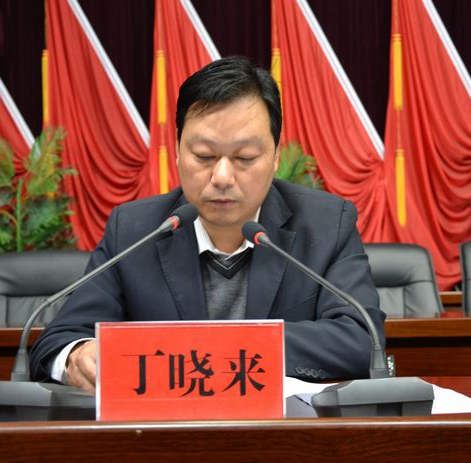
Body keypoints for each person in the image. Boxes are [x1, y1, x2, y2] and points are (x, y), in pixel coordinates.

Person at [29, 56, 385, 393]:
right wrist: (77, 355)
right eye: (204, 156)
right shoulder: (135, 229)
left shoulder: (326, 224)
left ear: (276, 155)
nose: (222, 177)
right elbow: (58, 341)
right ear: (177, 151)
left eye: (245, 157)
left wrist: (220, 344)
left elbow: (361, 341)